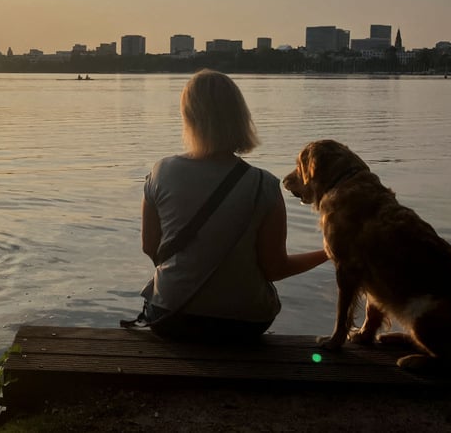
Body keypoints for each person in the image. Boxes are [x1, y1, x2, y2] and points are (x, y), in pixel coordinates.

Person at [138, 69, 328, 341]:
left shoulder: (161, 172)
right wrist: (328, 252)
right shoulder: (264, 184)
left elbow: (149, 247)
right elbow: (276, 269)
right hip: (244, 323)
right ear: (240, 117)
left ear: (188, 117)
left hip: (171, 316)